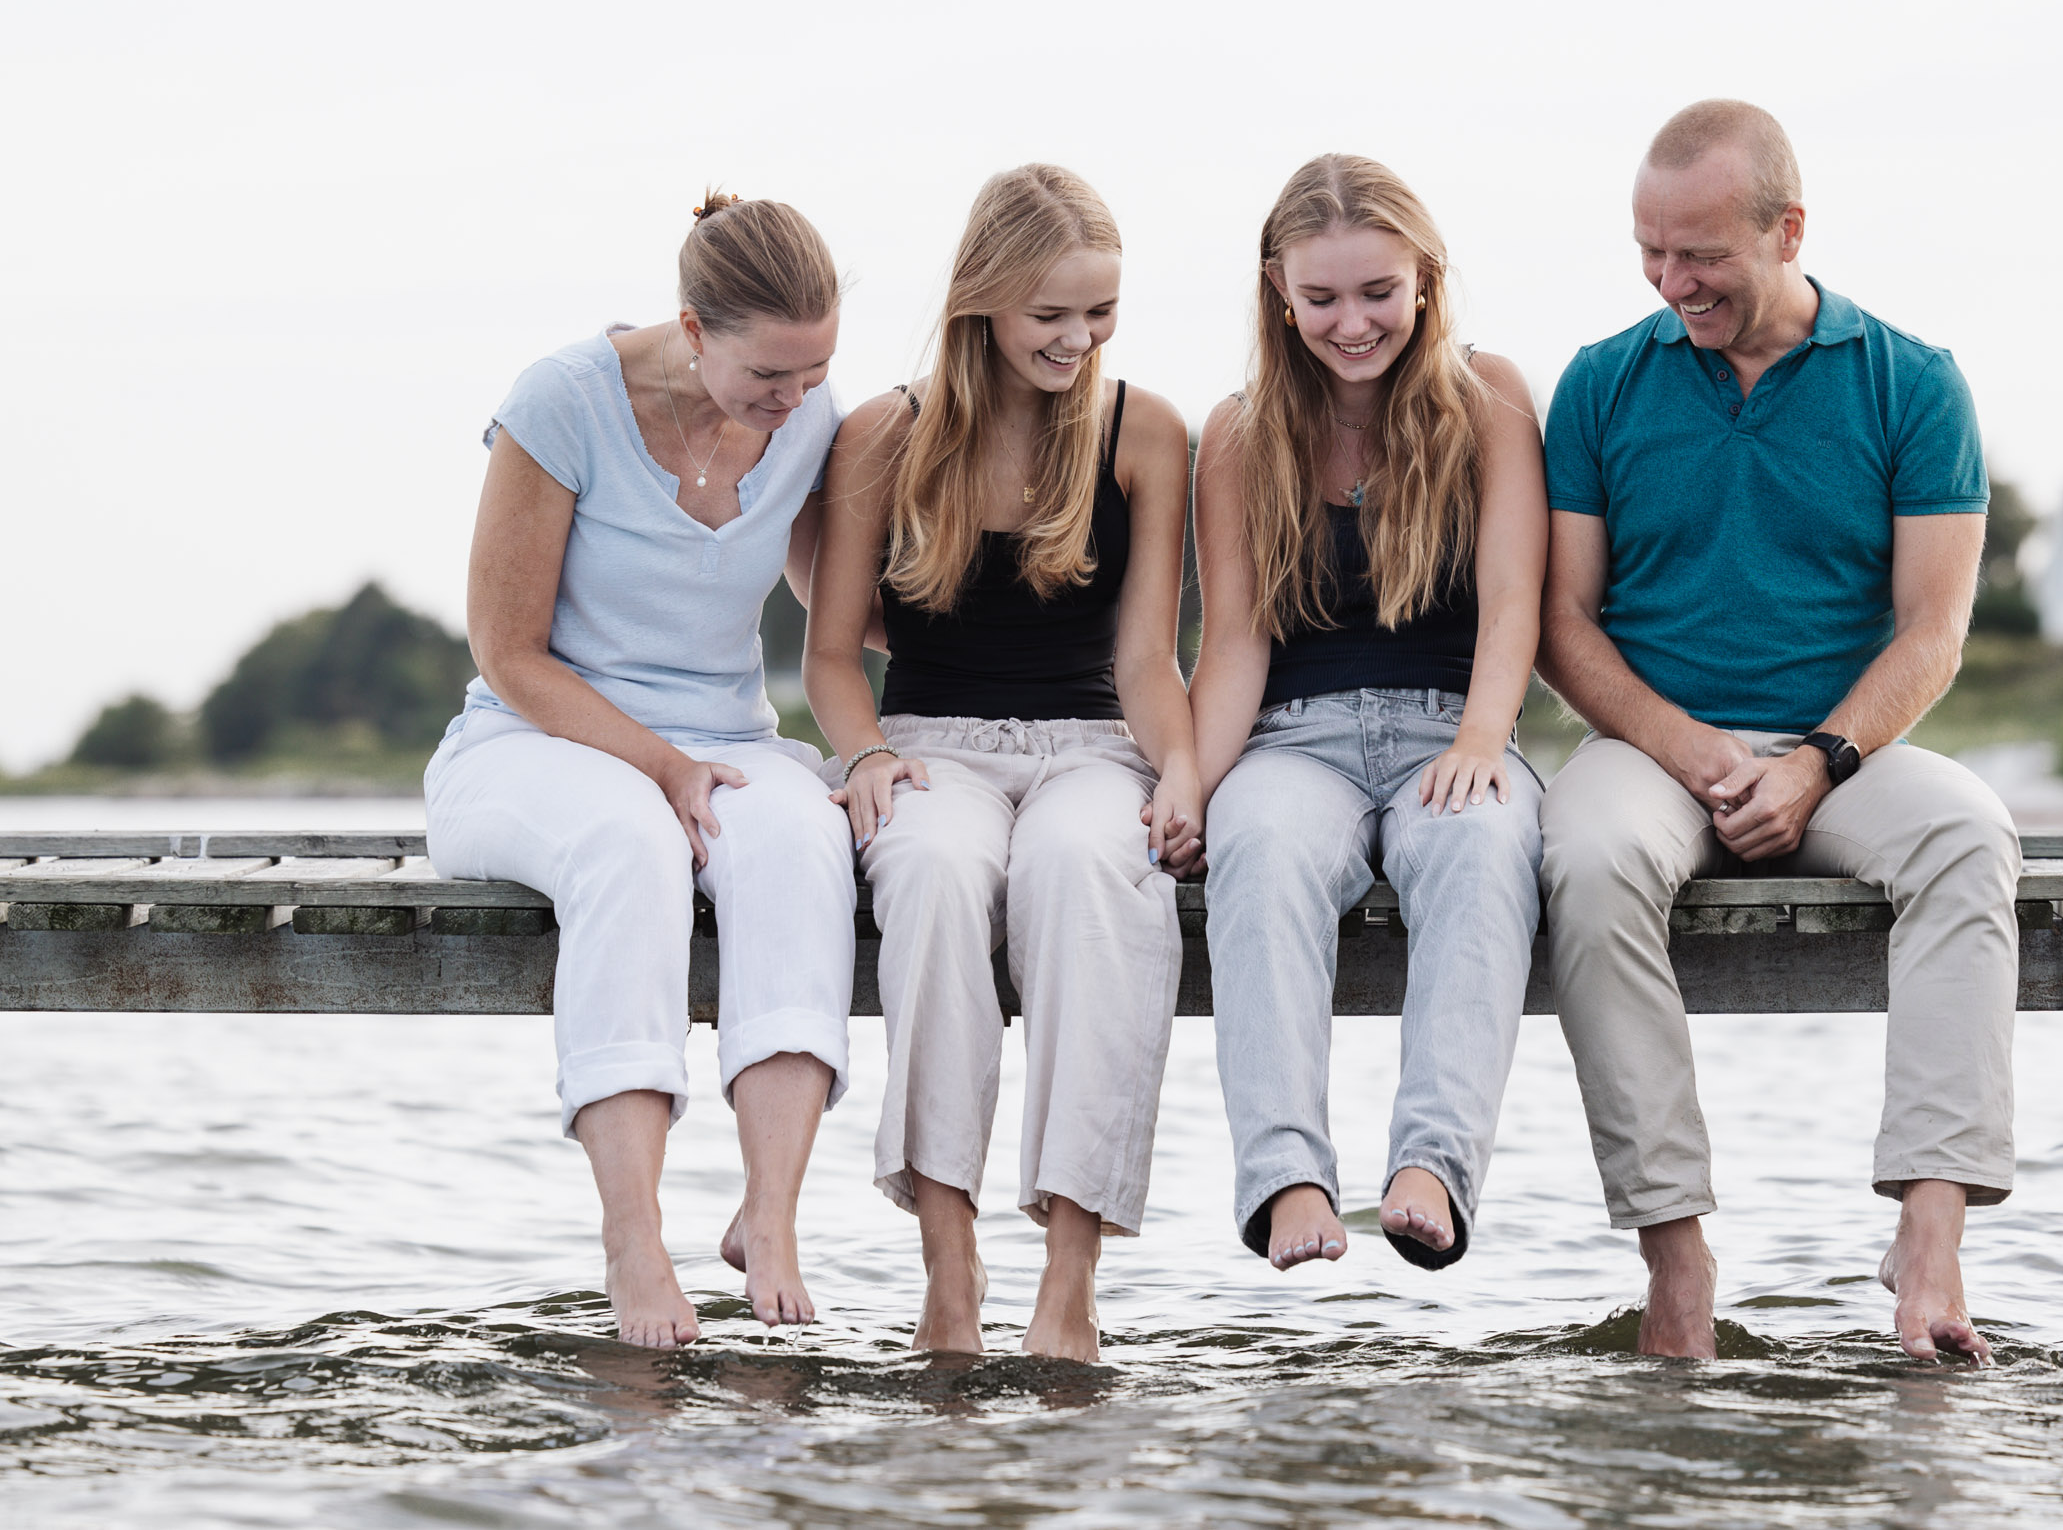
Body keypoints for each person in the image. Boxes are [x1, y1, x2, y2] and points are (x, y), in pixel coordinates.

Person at [1536, 99, 2016, 1364]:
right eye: (1650, 251)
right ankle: (1674, 1256)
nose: (1670, 281)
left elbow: (1931, 634)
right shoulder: (1598, 382)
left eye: (1700, 255)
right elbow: (1563, 623)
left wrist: (1814, 762)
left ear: (1787, 228)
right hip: (1651, 750)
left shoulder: (1912, 383)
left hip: (1839, 750)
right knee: (1582, 863)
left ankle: (1928, 1229)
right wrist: (1690, 748)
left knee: (1971, 833)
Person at [426, 193, 855, 1350]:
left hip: (724, 739)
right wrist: (660, 764)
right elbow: (508, 653)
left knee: (804, 837)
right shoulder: (561, 400)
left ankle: (768, 1215)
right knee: (631, 841)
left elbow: (835, 605)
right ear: (691, 326)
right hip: (536, 740)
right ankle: (632, 1234)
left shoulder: (812, 418)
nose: (793, 399)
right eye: (770, 373)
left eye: (815, 372)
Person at [804, 164, 1198, 1363]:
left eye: (1101, 313)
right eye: (1051, 315)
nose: (1077, 339)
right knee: (925, 874)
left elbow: (1144, 657)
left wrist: (1180, 773)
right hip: (931, 747)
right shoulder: (888, 432)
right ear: (982, 301)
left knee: (1094, 868)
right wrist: (864, 754)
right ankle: (949, 1261)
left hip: (1091, 744)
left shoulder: (1146, 430)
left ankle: (1070, 1279)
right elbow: (827, 656)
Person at [1192, 154, 1548, 1274]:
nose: (1353, 322)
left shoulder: (1488, 398)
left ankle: (1431, 1164)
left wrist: (1484, 740)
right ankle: (1288, 1173)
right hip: (1297, 740)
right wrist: (1188, 784)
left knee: (1483, 848)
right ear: (1278, 292)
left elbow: (1511, 600)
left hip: (1456, 718)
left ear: (1426, 281)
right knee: (1254, 849)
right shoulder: (1242, 431)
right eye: (1323, 297)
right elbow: (1237, 639)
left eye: (1378, 292)